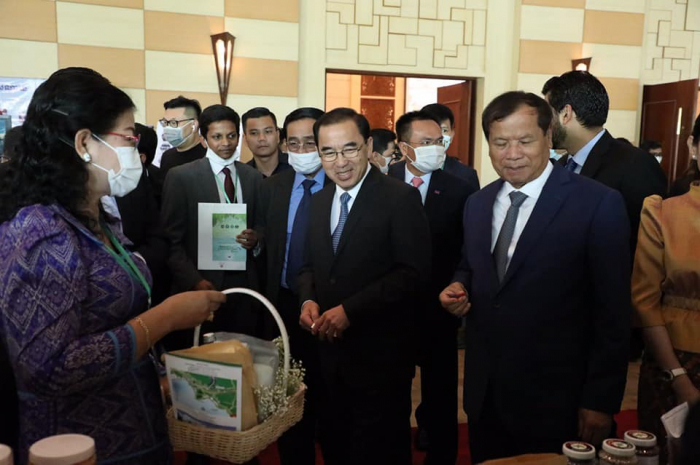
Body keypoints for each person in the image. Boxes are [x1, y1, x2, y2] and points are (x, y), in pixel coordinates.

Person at [0, 67, 225, 464]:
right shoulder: (41, 232)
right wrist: (166, 318)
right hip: (80, 446)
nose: (136, 149)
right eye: (128, 137)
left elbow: (110, 320)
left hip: (135, 431)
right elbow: (46, 368)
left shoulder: (95, 218)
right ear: (85, 142)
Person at [439, 91, 631, 463]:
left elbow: (613, 314)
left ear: (549, 137)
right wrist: (459, 285)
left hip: (557, 398)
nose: (512, 154)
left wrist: (600, 400)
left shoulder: (597, 203)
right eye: (501, 143)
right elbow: (471, 265)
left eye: (525, 141)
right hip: (486, 395)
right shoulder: (477, 203)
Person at [297, 108, 431, 464]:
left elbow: (413, 273)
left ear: (369, 146)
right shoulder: (320, 200)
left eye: (350, 148)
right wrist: (307, 301)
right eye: (328, 152)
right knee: (335, 444)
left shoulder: (400, 198)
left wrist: (350, 311)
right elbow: (310, 265)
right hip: (329, 355)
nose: (340, 162)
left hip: (381, 357)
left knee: (380, 450)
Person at [388, 111, 475, 464]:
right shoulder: (382, 181)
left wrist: (458, 285)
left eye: (438, 141)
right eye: (425, 143)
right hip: (391, 310)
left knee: (440, 394)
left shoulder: (460, 188)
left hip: (439, 308)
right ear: (403, 147)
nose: (435, 148)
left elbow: (468, 249)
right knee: (392, 394)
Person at [161, 104, 266, 345]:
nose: (226, 143)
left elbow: (263, 225)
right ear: (203, 139)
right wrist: (193, 280)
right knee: (201, 354)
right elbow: (170, 239)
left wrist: (257, 239)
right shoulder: (181, 177)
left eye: (231, 136)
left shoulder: (253, 177)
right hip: (200, 283)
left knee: (240, 352)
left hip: (244, 285)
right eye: (217, 137)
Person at [260, 107, 329, 464]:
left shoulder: (343, 184)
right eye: (294, 143)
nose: (302, 151)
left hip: (330, 308)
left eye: (310, 143)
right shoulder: (274, 187)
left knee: (328, 394)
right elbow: (269, 244)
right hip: (283, 304)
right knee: (289, 394)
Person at [632, 114, 700, 464]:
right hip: (675, 361)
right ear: (693, 146)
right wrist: (679, 377)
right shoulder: (663, 212)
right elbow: (644, 302)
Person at [542, 71, 667, 255]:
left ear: (566, 113)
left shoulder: (635, 164)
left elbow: (646, 245)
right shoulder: (559, 167)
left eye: (547, 115)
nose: (543, 124)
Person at [422, 102, 481, 192]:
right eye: (431, 130)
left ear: (452, 134)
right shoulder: (401, 171)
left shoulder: (467, 175)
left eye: (444, 130)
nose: (438, 136)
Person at [243, 107, 292, 178]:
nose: (262, 138)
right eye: (254, 133)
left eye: (268, 131)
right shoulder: (242, 175)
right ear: (245, 139)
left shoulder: (295, 166)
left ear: (278, 135)